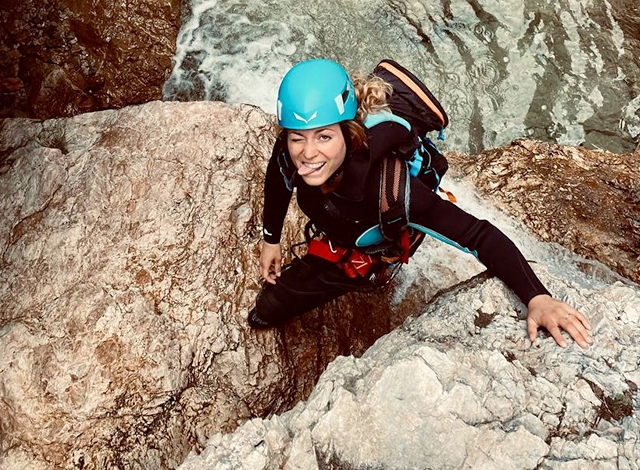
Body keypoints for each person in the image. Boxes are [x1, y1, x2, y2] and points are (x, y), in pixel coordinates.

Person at [248, 59, 592, 349]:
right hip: (343, 217)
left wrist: (537, 297)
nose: (307, 153)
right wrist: (270, 239)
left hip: (374, 227)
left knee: (273, 305)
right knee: (267, 308)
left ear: (348, 130)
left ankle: (366, 262)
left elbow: (479, 236)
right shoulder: (293, 148)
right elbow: (278, 179)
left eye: (324, 137)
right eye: (298, 139)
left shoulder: (394, 191)